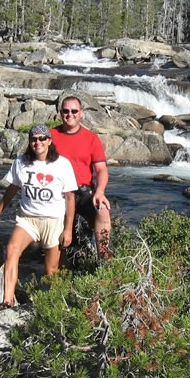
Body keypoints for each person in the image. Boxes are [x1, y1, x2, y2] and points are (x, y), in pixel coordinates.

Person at [0, 124, 77, 310]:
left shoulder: (62, 164)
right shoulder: (21, 162)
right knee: (11, 250)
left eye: (42, 138)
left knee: (51, 270)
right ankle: (7, 301)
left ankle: (55, 306)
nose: (38, 142)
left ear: (49, 141)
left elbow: (70, 198)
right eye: (34, 139)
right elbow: (12, 188)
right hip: (27, 219)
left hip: (53, 221)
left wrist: (68, 229)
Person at [49, 95, 112, 260]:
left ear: (81, 113)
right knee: (59, 240)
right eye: (66, 111)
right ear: (60, 113)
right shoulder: (50, 136)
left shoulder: (91, 138)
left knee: (103, 211)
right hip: (58, 193)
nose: (70, 114)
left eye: (74, 111)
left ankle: (103, 257)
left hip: (83, 192)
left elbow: (101, 169)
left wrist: (100, 192)